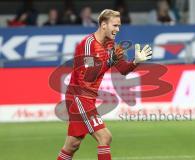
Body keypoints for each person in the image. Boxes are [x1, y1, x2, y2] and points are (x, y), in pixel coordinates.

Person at [56, 9, 152, 160]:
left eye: (119, 26)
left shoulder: (110, 45)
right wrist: (109, 60)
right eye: (115, 25)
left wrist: (135, 61)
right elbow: (88, 75)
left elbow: (123, 69)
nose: (118, 29)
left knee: (72, 145)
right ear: (103, 25)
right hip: (79, 96)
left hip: (87, 98)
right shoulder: (88, 44)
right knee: (105, 137)